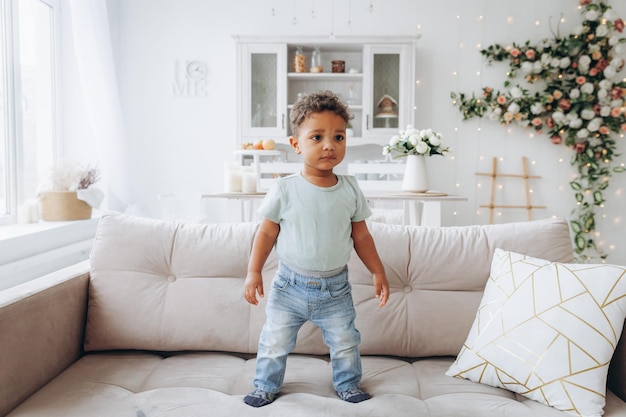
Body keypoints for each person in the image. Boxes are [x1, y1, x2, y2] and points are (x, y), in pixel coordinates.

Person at [243, 90, 389, 408]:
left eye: (338, 137)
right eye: (317, 137)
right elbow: (266, 233)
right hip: (288, 286)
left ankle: (348, 384)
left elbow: (362, 237)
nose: (329, 145)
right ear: (296, 145)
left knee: (346, 341)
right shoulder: (285, 189)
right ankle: (265, 385)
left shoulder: (350, 189)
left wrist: (378, 270)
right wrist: (254, 271)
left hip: (335, 289)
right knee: (275, 340)